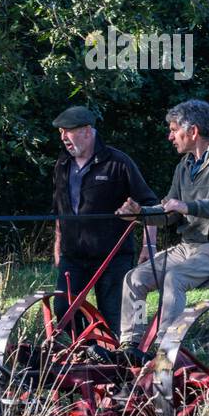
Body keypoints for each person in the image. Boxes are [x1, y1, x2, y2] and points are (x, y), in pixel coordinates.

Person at [115, 100, 209, 380]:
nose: (170, 136)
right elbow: (169, 214)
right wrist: (139, 215)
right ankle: (131, 346)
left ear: (193, 131)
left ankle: (165, 350)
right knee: (134, 279)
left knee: (174, 278)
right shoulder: (183, 166)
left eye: (174, 130)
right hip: (189, 247)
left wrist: (189, 207)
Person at [50, 106, 158, 341]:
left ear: (87, 131)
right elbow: (60, 208)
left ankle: (117, 362)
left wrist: (149, 246)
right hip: (73, 256)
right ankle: (87, 350)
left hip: (113, 257)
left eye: (68, 131)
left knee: (113, 316)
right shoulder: (62, 165)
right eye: (61, 132)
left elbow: (150, 204)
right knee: (63, 309)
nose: (63, 138)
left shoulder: (118, 163)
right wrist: (58, 243)